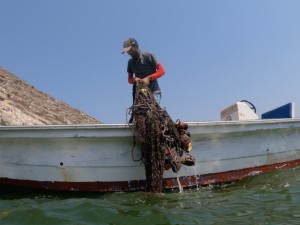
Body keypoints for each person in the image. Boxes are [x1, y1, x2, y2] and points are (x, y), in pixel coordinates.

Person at [122, 38, 165, 104]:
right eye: (127, 51)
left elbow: (162, 71)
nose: (128, 52)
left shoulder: (148, 56)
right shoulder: (130, 63)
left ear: (135, 47)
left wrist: (149, 78)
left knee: (151, 110)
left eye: (130, 50)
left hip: (154, 91)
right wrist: (134, 79)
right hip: (142, 92)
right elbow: (129, 79)